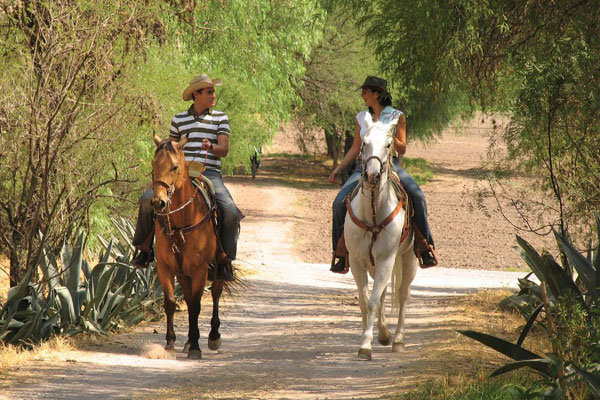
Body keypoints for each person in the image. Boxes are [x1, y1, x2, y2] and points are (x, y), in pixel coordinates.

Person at [131, 74, 240, 281]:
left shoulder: (220, 118)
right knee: (147, 200)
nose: (213, 95)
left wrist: (212, 147)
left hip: (209, 173)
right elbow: (170, 149)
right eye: (209, 91)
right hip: (179, 173)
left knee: (230, 211)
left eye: (213, 91)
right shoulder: (178, 119)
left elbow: (224, 149)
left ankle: (225, 259)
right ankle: (144, 249)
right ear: (196, 95)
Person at [328, 75, 437, 272]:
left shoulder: (397, 116)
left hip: (390, 166)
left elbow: (402, 149)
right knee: (338, 203)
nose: (362, 96)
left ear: (376, 94)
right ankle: (340, 252)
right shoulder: (362, 117)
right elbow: (355, 148)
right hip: (363, 167)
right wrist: (338, 168)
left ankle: (424, 245)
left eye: (365, 92)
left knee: (418, 197)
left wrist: (388, 137)